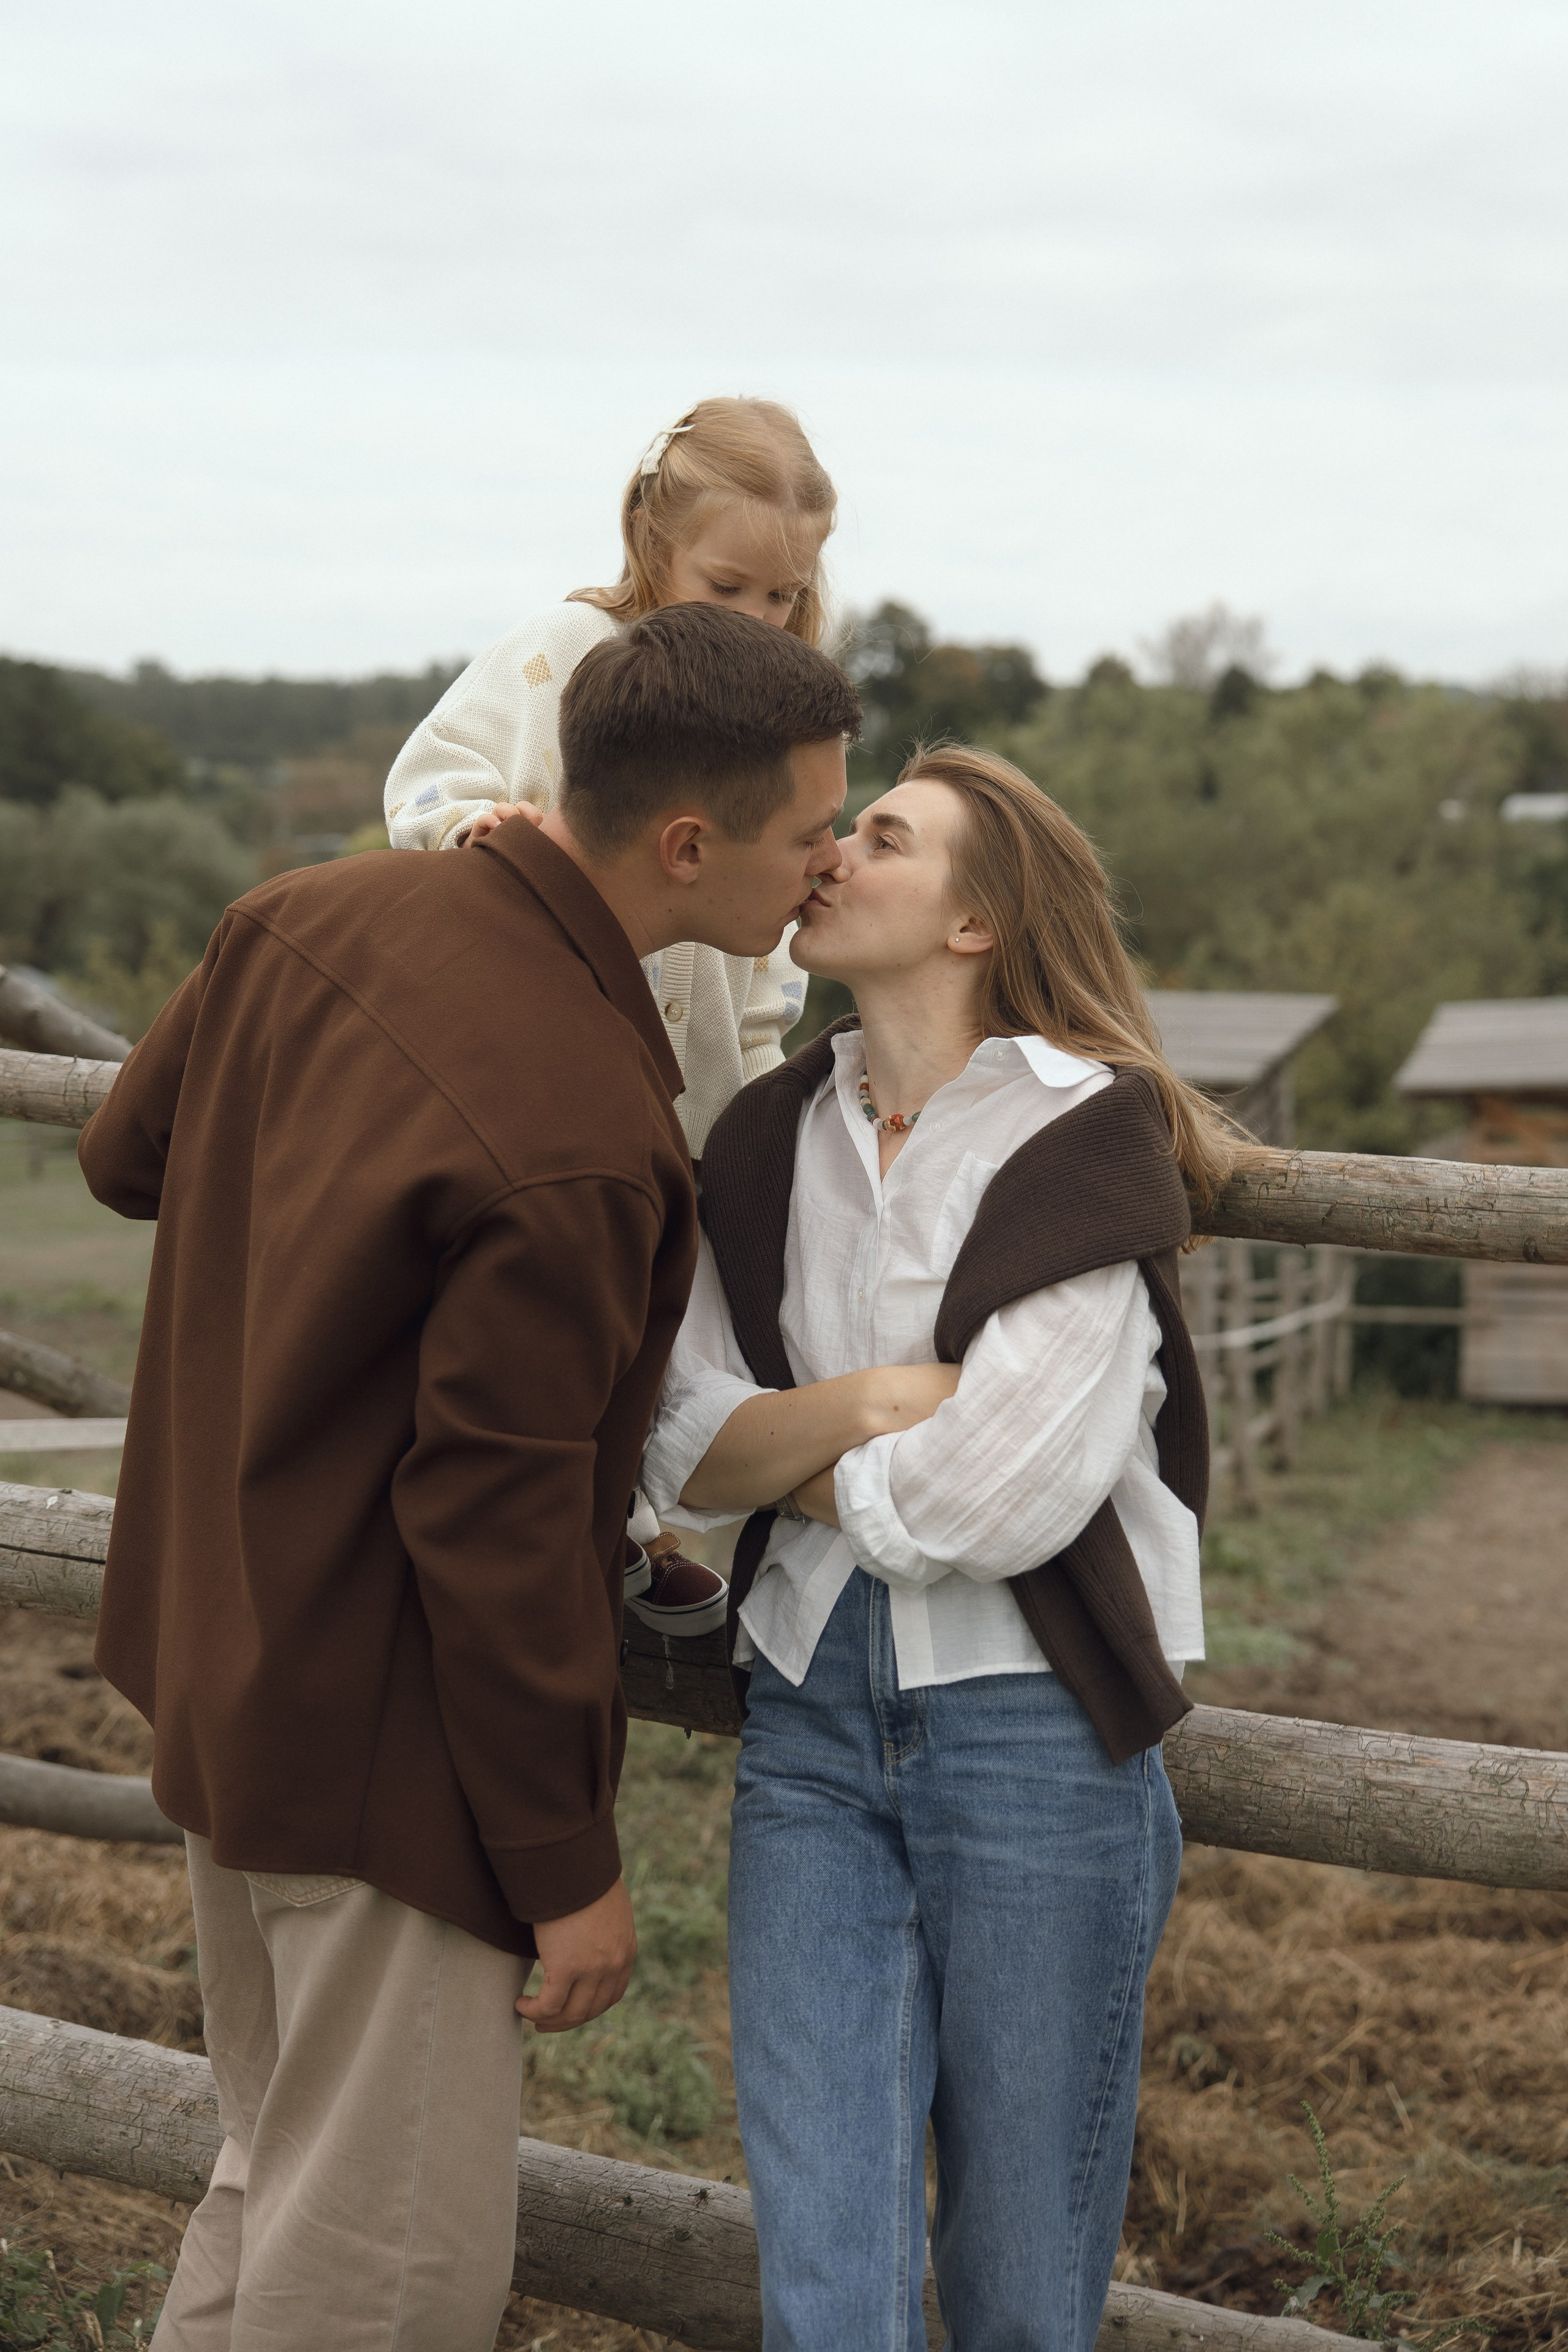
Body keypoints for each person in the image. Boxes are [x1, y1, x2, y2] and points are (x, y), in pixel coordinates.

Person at [78, 603, 859, 2352]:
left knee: (276, 2178)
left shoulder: (305, 912)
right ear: (685, 843)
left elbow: (126, 1152)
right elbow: (495, 1525)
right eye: (811, 827)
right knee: (384, 2288)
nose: (824, 867)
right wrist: (563, 1861)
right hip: (391, 1774)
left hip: (222, 1673)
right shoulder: (586, 1132)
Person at [641, 744, 1238, 2352]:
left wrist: (800, 1452)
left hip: (1039, 1734)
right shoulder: (765, 1137)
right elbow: (675, 1433)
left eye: (882, 837)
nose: (829, 854)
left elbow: (1003, 1503)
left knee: (1019, 2295)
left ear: (977, 920)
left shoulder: (1082, 1132)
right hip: (809, 1736)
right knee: (824, 2286)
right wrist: (887, 1403)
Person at [385, 397, 840, 1633]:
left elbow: (763, 974)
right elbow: (429, 776)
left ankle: (631, 1522)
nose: (751, 620)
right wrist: (475, 833)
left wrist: (751, 1106)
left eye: (780, 601)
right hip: (538, 1057)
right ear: (652, 538)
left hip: (680, 1087)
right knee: (542, 1295)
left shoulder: (769, 717)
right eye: (726, 584)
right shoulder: (566, 653)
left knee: (652, 1312)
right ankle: (577, 1531)